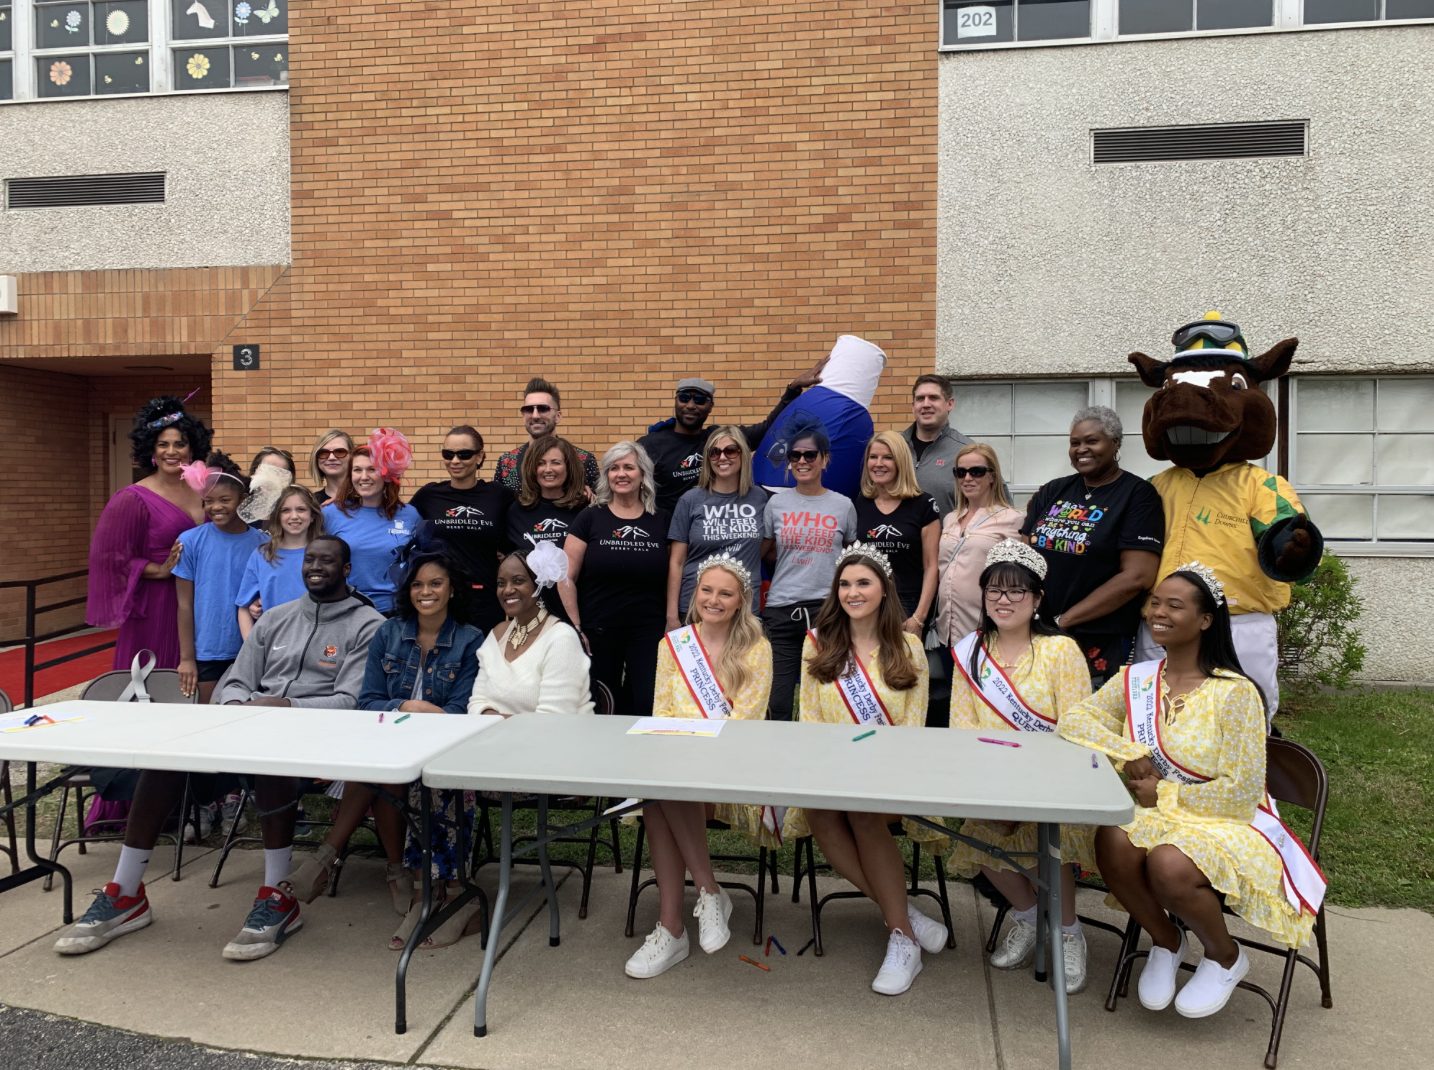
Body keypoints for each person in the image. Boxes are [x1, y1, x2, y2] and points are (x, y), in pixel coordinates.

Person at [53, 536, 385, 961]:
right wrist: (236, 709)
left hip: (315, 738)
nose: (316, 567)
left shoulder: (367, 625)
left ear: (347, 570)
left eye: (327, 561)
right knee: (166, 758)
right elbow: (235, 680)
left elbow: (350, 699)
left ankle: (279, 896)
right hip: (246, 728)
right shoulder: (276, 619)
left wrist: (284, 705)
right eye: (310, 559)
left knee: (272, 760)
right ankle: (126, 892)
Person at [1058, 564, 1322, 1018]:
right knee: (1112, 839)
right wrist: (1127, 751)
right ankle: (1167, 940)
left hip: (1225, 821)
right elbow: (1074, 721)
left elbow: (1240, 794)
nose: (1158, 612)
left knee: (1169, 863)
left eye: (1174, 605)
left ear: (1205, 620)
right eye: (1155, 602)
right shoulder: (1137, 679)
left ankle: (1225, 956)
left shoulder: (1235, 693)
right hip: (1160, 813)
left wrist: (1163, 793)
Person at [290, 548, 484, 950]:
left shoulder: (469, 640)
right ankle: (424, 892)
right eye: (417, 584)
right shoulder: (389, 632)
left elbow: (459, 711)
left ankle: (340, 864)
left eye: (435, 584)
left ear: (452, 590)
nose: (425, 592)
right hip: (390, 743)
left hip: (443, 747)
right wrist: (409, 707)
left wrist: (414, 710)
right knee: (381, 768)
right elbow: (369, 700)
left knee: (413, 778)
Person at [784, 544, 948, 996]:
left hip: (891, 777)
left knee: (862, 812)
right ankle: (905, 915)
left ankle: (901, 938)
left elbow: (913, 729)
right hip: (833, 774)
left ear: (883, 589)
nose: (852, 592)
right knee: (821, 814)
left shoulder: (908, 644)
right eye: (844, 584)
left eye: (863, 583)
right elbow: (811, 722)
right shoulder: (817, 642)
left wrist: (878, 773)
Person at [945, 538, 1095, 993]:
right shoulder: (971, 651)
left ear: (1037, 599)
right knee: (980, 832)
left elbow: (1076, 728)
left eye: (1016, 592)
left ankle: (1068, 932)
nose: (1004, 600)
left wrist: (1031, 778)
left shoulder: (1060, 651)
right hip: (993, 779)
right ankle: (1031, 918)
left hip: (1051, 779)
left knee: (1055, 838)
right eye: (995, 591)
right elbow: (962, 725)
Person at [625, 554, 775, 979]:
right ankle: (705, 893)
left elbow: (747, 721)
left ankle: (675, 926)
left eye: (725, 593)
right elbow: (661, 713)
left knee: (662, 794)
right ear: (695, 594)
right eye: (706, 590)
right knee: (662, 793)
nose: (714, 599)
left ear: (741, 599)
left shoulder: (756, 647)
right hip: (678, 765)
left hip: (733, 767)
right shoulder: (673, 644)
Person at [1023, 406, 1164, 687]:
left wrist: (1065, 620)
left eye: (1092, 441)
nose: (1081, 449)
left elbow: (1138, 576)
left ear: (1115, 444)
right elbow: (1024, 556)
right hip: (1038, 633)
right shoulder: (1054, 490)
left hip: (1100, 639)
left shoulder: (1138, 496)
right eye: (1075, 443)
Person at [87, 395, 209, 670]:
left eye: (180, 443)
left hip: (204, 596)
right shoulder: (132, 498)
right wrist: (160, 569)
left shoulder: (208, 492)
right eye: (163, 444)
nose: (172, 451)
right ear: (151, 450)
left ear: (192, 448)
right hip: (158, 602)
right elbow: (109, 558)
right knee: (158, 677)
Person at [759, 416, 857, 722]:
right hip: (783, 608)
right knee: (779, 699)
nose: (802, 461)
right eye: (795, 455)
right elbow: (766, 552)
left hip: (828, 612)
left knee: (827, 696)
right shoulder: (776, 505)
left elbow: (852, 561)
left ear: (824, 459)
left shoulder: (843, 506)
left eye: (810, 454)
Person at [561, 442, 668, 717]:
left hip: (648, 631)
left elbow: (674, 573)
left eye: (628, 467)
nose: (621, 474)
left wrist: (671, 621)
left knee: (646, 702)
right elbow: (565, 576)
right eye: (614, 468)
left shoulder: (661, 520)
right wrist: (576, 625)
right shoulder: (590, 518)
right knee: (602, 706)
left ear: (642, 474)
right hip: (599, 630)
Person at [638, 357, 828, 513]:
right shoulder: (651, 445)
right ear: (676, 401)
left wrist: (793, 389)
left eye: (700, 400)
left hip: (711, 531)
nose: (691, 405)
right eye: (685, 398)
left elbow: (766, 429)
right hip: (670, 537)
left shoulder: (719, 439)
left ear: (710, 406)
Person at [929, 443, 1024, 728]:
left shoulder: (1012, 519)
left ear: (992, 476)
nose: (967, 478)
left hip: (984, 631)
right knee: (949, 704)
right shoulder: (949, 518)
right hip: (947, 630)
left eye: (976, 471)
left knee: (982, 706)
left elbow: (1017, 579)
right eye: (960, 472)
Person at [173, 454, 267, 703]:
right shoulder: (190, 541)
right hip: (208, 650)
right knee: (208, 717)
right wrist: (187, 658)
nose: (216, 507)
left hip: (251, 647)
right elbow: (184, 604)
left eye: (225, 500)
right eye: (209, 501)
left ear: (242, 500)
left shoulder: (263, 543)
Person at [468, 547, 594, 717]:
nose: (507, 590)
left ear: (539, 585)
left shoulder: (562, 638)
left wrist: (495, 722)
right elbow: (476, 703)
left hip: (557, 742)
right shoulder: (498, 634)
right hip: (497, 740)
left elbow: (552, 720)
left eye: (518, 581)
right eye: (501, 583)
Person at [409, 425, 512, 631]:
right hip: (441, 599)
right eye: (448, 454)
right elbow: (394, 514)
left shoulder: (499, 496)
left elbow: (528, 517)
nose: (455, 461)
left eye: (464, 454)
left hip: (485, 600)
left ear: (479, 456)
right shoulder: (429, 495)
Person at [665, 426, 768, 629]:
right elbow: (676, 562)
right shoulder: (690, 500)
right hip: (697, 606)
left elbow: (763, 546)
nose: (722, 457)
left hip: (744, 608)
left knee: (744, 662)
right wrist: (671, 616)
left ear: (743, 454)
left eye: (730, 450)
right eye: (715, 452)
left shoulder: (760, 498)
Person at [323, 432, 420, 614]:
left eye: (372, 469)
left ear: (386, 474)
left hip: (397, 614)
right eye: (357, 470)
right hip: (349, 612)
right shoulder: (331, 514)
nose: (364, 476)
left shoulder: (410, 515)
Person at [853, 431, 939, 633]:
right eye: (873, 457)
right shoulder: (860, 503)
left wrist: (919, 618)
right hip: (868, 600)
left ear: (901, 461)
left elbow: (931, 566)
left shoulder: (924, 504)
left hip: (908, 603)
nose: (879, 463)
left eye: (888, 457)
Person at [236, 485, 325, 641]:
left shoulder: (325, 553)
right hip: (273, 643)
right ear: (277, 516)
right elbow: (244, 607)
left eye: (301, 509)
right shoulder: (262, 555)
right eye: (286, 510)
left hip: (316, 642)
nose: (294, 516)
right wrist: (251, 649)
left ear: (312, 516)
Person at [493, 378, 599, 492]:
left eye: (543, 408)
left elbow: (601, 504)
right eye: (528, 409)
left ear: (558, 416)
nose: (535, 415)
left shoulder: (583, 460)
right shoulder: (506, 463)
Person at [900, 375, 976, 518]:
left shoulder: (968, 451)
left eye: (933, 398)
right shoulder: (894, 448)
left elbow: (995, 505)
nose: (926, 404)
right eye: (920, 399)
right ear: (913, 406)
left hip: (947, 539)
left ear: (950, 404)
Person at [308, 429, 354, 505]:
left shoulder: (367, 498)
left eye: (340, 452)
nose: (331, 458)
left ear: (352, 456)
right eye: (323, 453)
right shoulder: (311, 504)